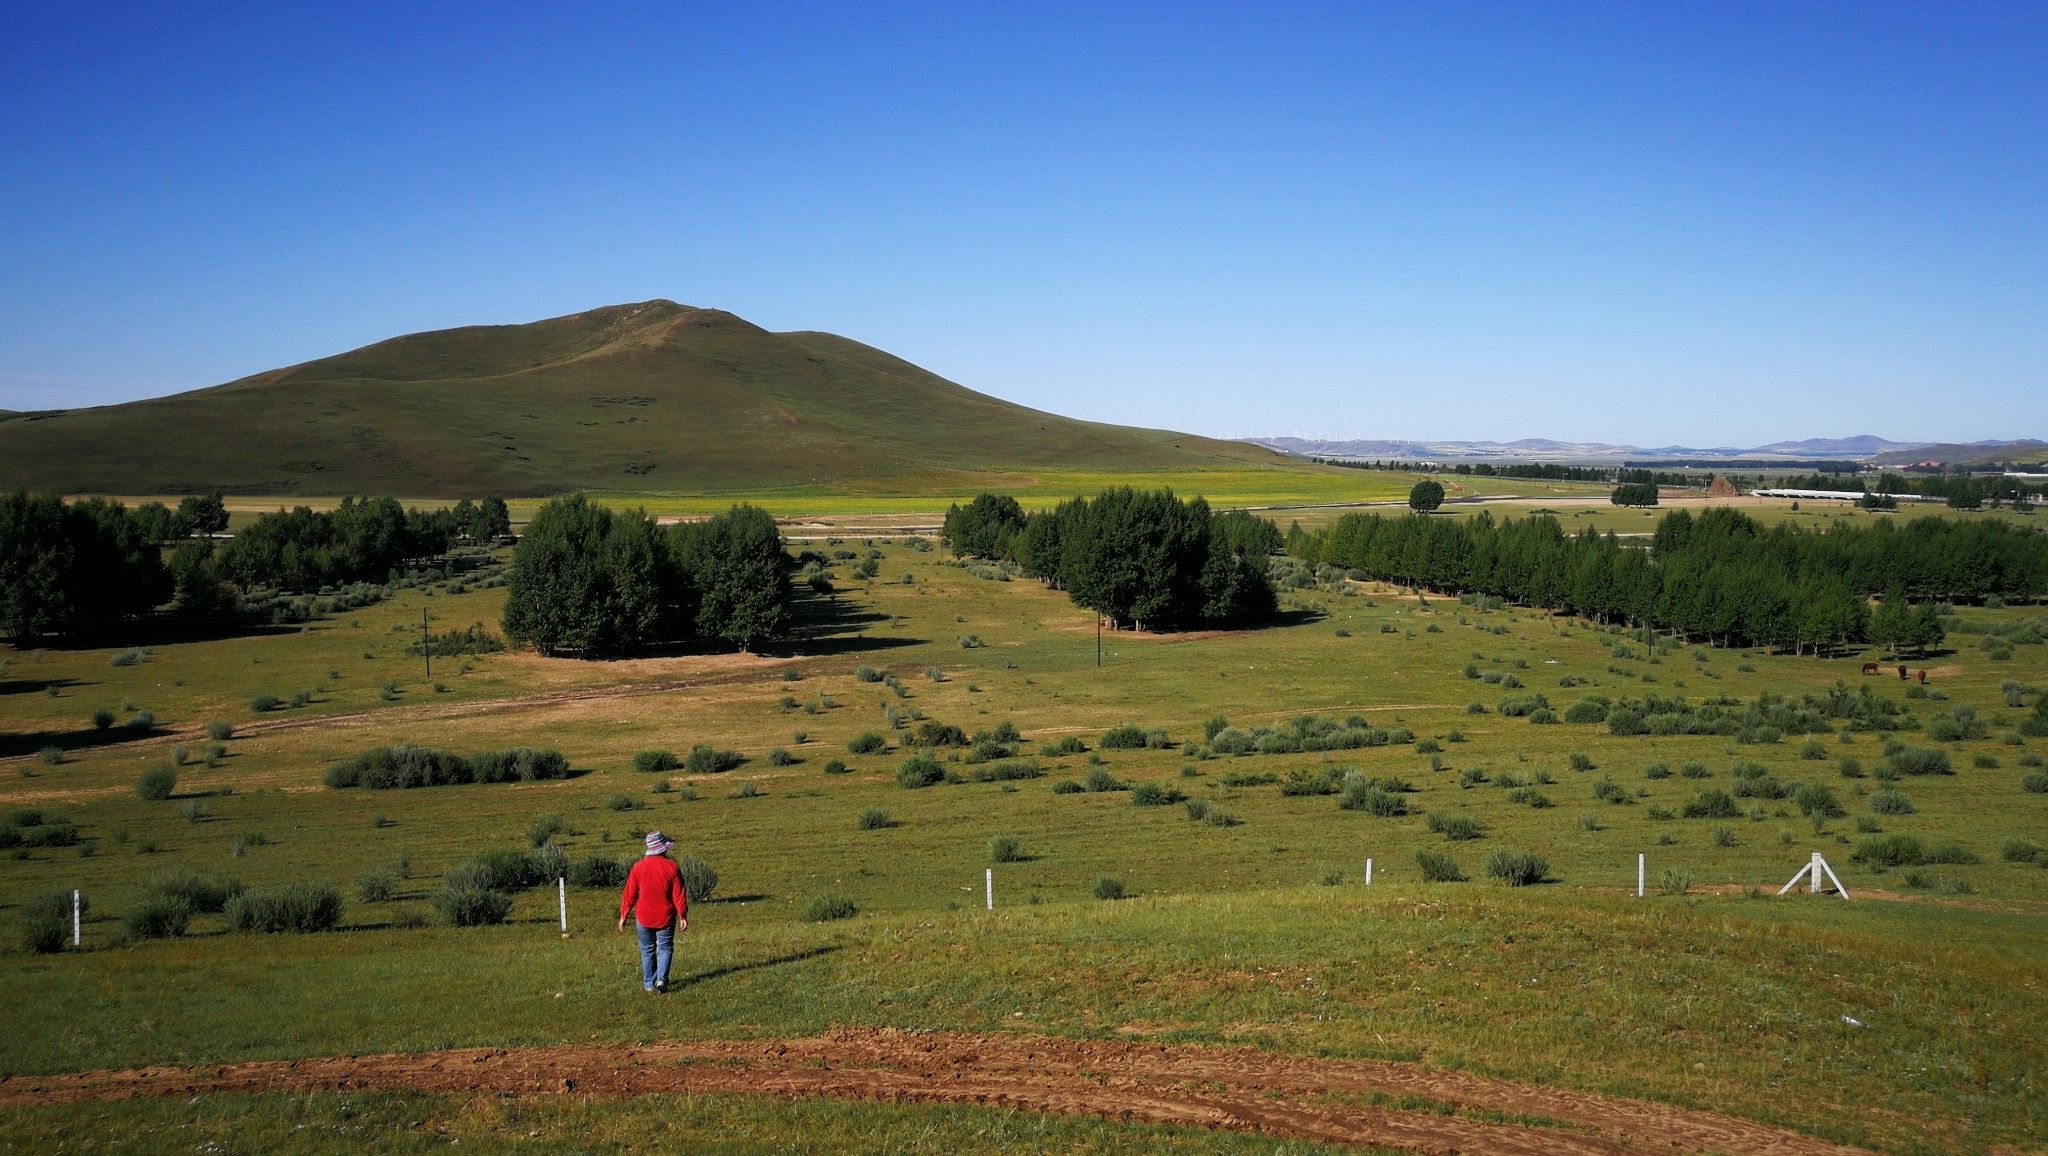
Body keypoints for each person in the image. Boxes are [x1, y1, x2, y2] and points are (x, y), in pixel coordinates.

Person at [618, 830, 688, 993]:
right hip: (666, 917)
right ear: (662, 849)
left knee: (647, 949)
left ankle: (649, 984)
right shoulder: (672, 867)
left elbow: (630, 894)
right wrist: (682, 915)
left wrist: (623, 915)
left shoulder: (638, 867)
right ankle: (661, 979)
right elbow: (679, 895)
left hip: (643, 917)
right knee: (664, 948)